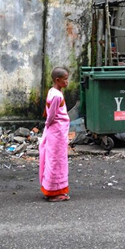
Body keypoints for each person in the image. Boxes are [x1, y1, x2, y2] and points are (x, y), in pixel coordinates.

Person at [39, 67, 71, 202]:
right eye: (65, 79)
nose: (67, 82)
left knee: (54, 159)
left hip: (56, 131)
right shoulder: (57, 96)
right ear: (58, 80)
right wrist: (47, 125)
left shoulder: (52, 92)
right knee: (57, 160)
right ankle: (54, 192)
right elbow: (51, 115)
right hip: (56, 132)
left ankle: (54, 189)